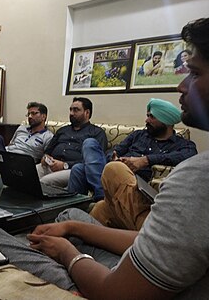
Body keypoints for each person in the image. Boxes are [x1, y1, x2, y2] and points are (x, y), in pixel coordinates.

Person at [0, 18, 209, 298]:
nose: (181, 85)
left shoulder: (194, 173)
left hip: (118, 283)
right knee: (70, 214)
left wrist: (67, 253)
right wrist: (72, 226)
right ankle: (78, 208)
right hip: (145, 246)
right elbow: (159, 241)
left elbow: (116, 293)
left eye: (193, 73)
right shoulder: (141, 141)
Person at [68, 98, 197, 230]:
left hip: (136, 187)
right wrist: (115, 157)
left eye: (152, 117)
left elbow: (189, 155)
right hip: (111, 174)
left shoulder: (182, 145)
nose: (147, 120)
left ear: (166, 120)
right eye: (147, 116)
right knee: (87, 150)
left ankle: (101, 196)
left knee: (91, 174)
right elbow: (114, 150)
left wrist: (145, 160)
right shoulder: (139, 135)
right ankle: (80, 209)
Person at [37, 97, 107, 199]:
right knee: (28, 176)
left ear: (87, 113)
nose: (71, 113)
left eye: (76, 110)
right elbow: (48, 151)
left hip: (71, 170)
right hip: (50, 166)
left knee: (43, 183)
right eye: (70, 109)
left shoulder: (96, 133)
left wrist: (65, 165)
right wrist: (45, 158)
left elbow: (95, 162)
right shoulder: (63, 130)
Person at [0, 102, 54, 174]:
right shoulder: (22, 128)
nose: (30, 116)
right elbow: (11, 145)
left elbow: (46, 157)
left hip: (22, 162)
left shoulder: (48, 136)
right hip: (7, 156)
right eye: (29, 114)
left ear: (44, 116)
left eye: (34, 113)